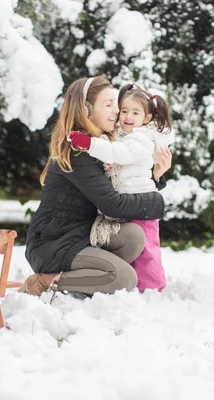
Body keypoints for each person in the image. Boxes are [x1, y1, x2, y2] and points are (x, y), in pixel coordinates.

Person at [19, 76, 171, 297]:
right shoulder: (77, 150)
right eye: (108, 105)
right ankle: (46, 281)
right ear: (86, 110)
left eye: (115, 105)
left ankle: (91, 279)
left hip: (81, 234)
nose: (116, 112)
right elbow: (113, 204)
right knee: (125, 278)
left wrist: (154, 178)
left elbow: (120, 183)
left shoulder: (100, 145)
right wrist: (157, 201)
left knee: (133, 236)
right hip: (55, 243)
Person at [67, 83, 174, 292]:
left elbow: (117, 153)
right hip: (130, 201)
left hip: (139, 203)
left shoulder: (140, 139)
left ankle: (152, 287)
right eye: (124, 111)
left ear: (147, 118)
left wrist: (89, 144)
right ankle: (133, 284)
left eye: (135, 112)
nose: (127, 116)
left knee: (146, 249)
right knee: (135, 245)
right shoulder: (123, 136)